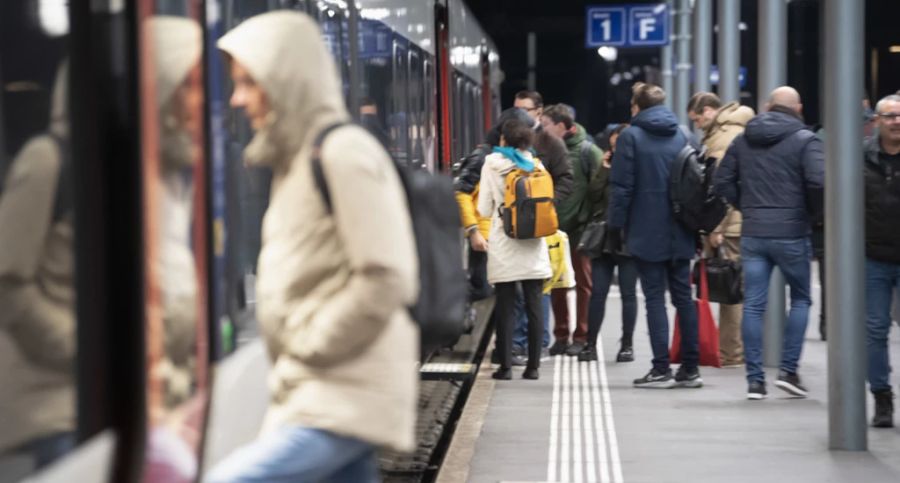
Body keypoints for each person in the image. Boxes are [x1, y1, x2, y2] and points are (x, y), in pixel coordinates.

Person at [207, 11, 419, 482]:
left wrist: (310, 341)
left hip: (340, 391)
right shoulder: (295, 160)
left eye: (248, 83)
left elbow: (388, 274)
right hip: (319, 387)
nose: (237, 99)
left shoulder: (343, 152)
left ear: (288, 81)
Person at [714, 86, 824, 401]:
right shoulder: (806, 140)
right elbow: (818, 182)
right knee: (801, 299)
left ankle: (755, 381)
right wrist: (810, 215)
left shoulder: (743, 139)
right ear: (798, 108)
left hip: (754, 232)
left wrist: (746, 207)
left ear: (767, 106)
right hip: (792, 233)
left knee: (753, 304)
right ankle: (788, 371)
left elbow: (723, 181)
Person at [0, 61, 76, 470]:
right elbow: (7, 280)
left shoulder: (113, 170)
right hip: (48, 411)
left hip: (87, 396)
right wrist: (76, 344)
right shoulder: (45, 161)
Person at [608, 83, 702, 389]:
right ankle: (690, 368)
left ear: (637, 106)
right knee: (684, 299)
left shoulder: (631, 137)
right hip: (681, 228)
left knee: (654, 299)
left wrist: (615, 227)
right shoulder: (684, 134)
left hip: (646, 228)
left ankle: (661, 367)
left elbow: (622, 187)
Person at [477, 118, 552, 380]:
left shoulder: (492, 163)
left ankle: (506, 367)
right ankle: (533, 367)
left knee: (506, 305)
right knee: (534, 304)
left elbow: (484, 208)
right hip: (533, 240)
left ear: (503, 140)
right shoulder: (536, 164)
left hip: (505, 239)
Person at [686, 92, 755, 368]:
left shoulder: (724, 138)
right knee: (741, 288)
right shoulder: (735, 129)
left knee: (732, 291)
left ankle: (731, 353)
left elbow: (722, 187)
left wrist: (716, 227)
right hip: (742, 219)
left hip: (731, 224)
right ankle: (739, 350)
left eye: (697, 120)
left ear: (709, 111)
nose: (697, 126)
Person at [540, 104, 603, 357]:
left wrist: (590, 219)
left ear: (561, 126)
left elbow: (599, 188)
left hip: (581, 230)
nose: (541, 128)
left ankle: (582, 335)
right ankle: (561, 335)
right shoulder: (545, 149)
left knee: (584, 284)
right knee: (556, 283)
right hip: (554, 229)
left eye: (545, 124)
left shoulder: (589, 151)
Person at [578, 123, 639, 363]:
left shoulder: (637, 165)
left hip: (629, 236)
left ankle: (627, 345)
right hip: (603, 236)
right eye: (613, 141)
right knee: (598, 292)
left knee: (628, 294)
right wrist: (604, 169)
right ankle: (590, 344)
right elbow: (593, 194)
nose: (616, 144)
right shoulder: (607, 163)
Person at [863, 94, 900, 428]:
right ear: (877, 120)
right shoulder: (862, 158)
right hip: (873, 256)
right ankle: (881, 395)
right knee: (874, 330)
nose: (896, 122)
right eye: (889, 116)